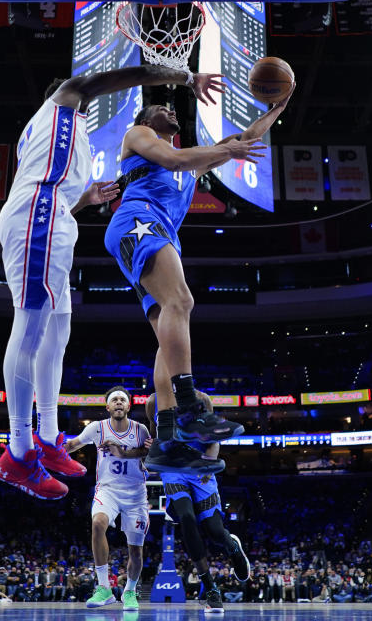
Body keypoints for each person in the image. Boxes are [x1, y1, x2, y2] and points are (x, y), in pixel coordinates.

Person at [0, 64, 227, 500]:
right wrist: (181, 76)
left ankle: (46, 437)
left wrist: (83, 201)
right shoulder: (63, 102)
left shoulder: (62, 137)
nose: (90, 102)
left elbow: (59, 191)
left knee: (57, 331)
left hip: (56, 216)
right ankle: (19, 452)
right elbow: (99, 81)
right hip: (37, 216)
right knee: (29, 327)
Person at [103, 86, 293, 475]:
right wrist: (227, 152)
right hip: (137, 221)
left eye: (172, 108)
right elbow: (172, 159)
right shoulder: (138, 136)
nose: (170, 110)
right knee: (182, 303)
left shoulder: (194, 163)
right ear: (145, 119)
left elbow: (245, 140)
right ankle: (190, 407)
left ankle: (167, 441)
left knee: (166, 338)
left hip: (155, 230)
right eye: (161, 106)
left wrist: (279, 106)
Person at [144, 391, 252, 614]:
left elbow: (214, 438)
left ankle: (233, 547)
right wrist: (152, 446)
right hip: (173, 470)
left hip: (200, 468)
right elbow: (157, 436)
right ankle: (211, 588)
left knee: (214, 531)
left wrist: (209, 463)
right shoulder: (154, 401)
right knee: (186, 517)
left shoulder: (201, 399)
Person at [62, 386, 150, 609]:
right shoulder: (96, 428)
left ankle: (129, 591)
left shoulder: (141, 430)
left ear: (129, 406)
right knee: (98, 523)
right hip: (107, 489)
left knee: (136, 550)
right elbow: (72, 445)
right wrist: (49, 450)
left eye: (123, 399)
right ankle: (103, 588)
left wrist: (126, 451)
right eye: (115, 400)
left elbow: (148, 454)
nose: (119, 402)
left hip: (136, 493)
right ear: (108, 406)